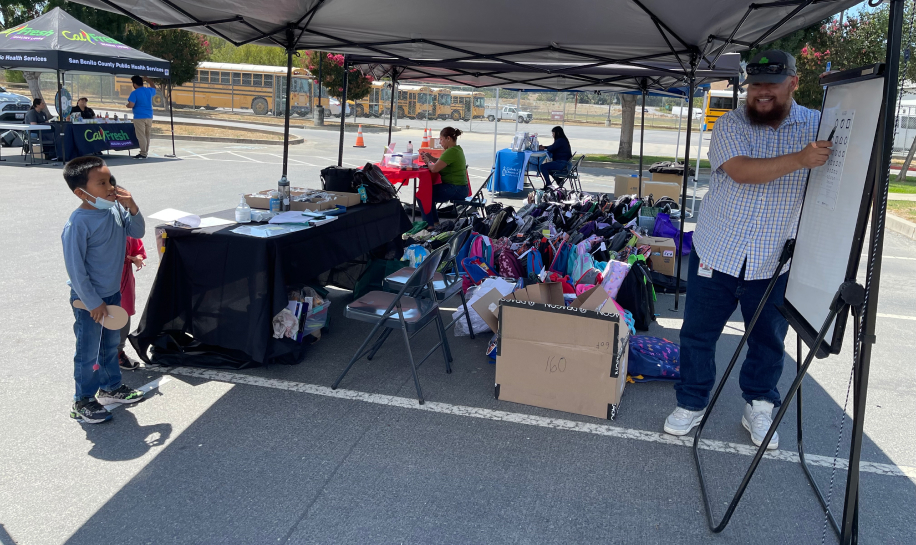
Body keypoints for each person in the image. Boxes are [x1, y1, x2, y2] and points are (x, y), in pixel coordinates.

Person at [662, 50, 831, 449]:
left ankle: (758, 404)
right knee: (698, 335)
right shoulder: (731, 123)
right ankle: (691, 401)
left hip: (775, 260)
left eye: (771, 84)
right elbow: (741, 171)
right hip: (718, 251)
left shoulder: (817, 126)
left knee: (768, 340)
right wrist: (802, 159)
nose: (761, 93)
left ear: (793, 82)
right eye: (755, 85)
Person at [62, 156, 147, 424]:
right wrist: (92, 301)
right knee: (88, 350)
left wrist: (131, 206)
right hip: (89, 300)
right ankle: (83, 400)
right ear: (81, 192)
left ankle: (110, 387)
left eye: (111, 180)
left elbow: (138, 231)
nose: (111, 187)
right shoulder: (78, 223)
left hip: (112, 293)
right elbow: (76, 269)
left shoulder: (115, 209)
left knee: (110, 345)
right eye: (102, 183)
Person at [418, 127, 468, 226]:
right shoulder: (456, 149)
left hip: (456, 188)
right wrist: (431, 158)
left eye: (441, 139)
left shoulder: (451, 151)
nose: (440, 143)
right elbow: (442, 162)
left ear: (448, 138)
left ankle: (429, 225)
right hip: (461, 188)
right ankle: (434, 223)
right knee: (428, 193)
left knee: (423, 195)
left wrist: (428, 162)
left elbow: (434, 169)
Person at [118, 236, 146, 370]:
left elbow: (137, 249)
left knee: (123, 316)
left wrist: (137, 258)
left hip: (124, 281)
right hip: (102, 282)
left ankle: (117, 353)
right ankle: (101, 355)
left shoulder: (127, 228)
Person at [126, 75, 156, 159]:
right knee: (147, 135)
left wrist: (127, 105)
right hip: (149, 116)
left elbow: (131, 104)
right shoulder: (149, 90)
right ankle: (145, 152)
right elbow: (154, 87)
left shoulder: (134, 93)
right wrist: (148, 79)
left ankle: (143, 153)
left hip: (139, 116)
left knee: (141, 135)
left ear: (134, 84)